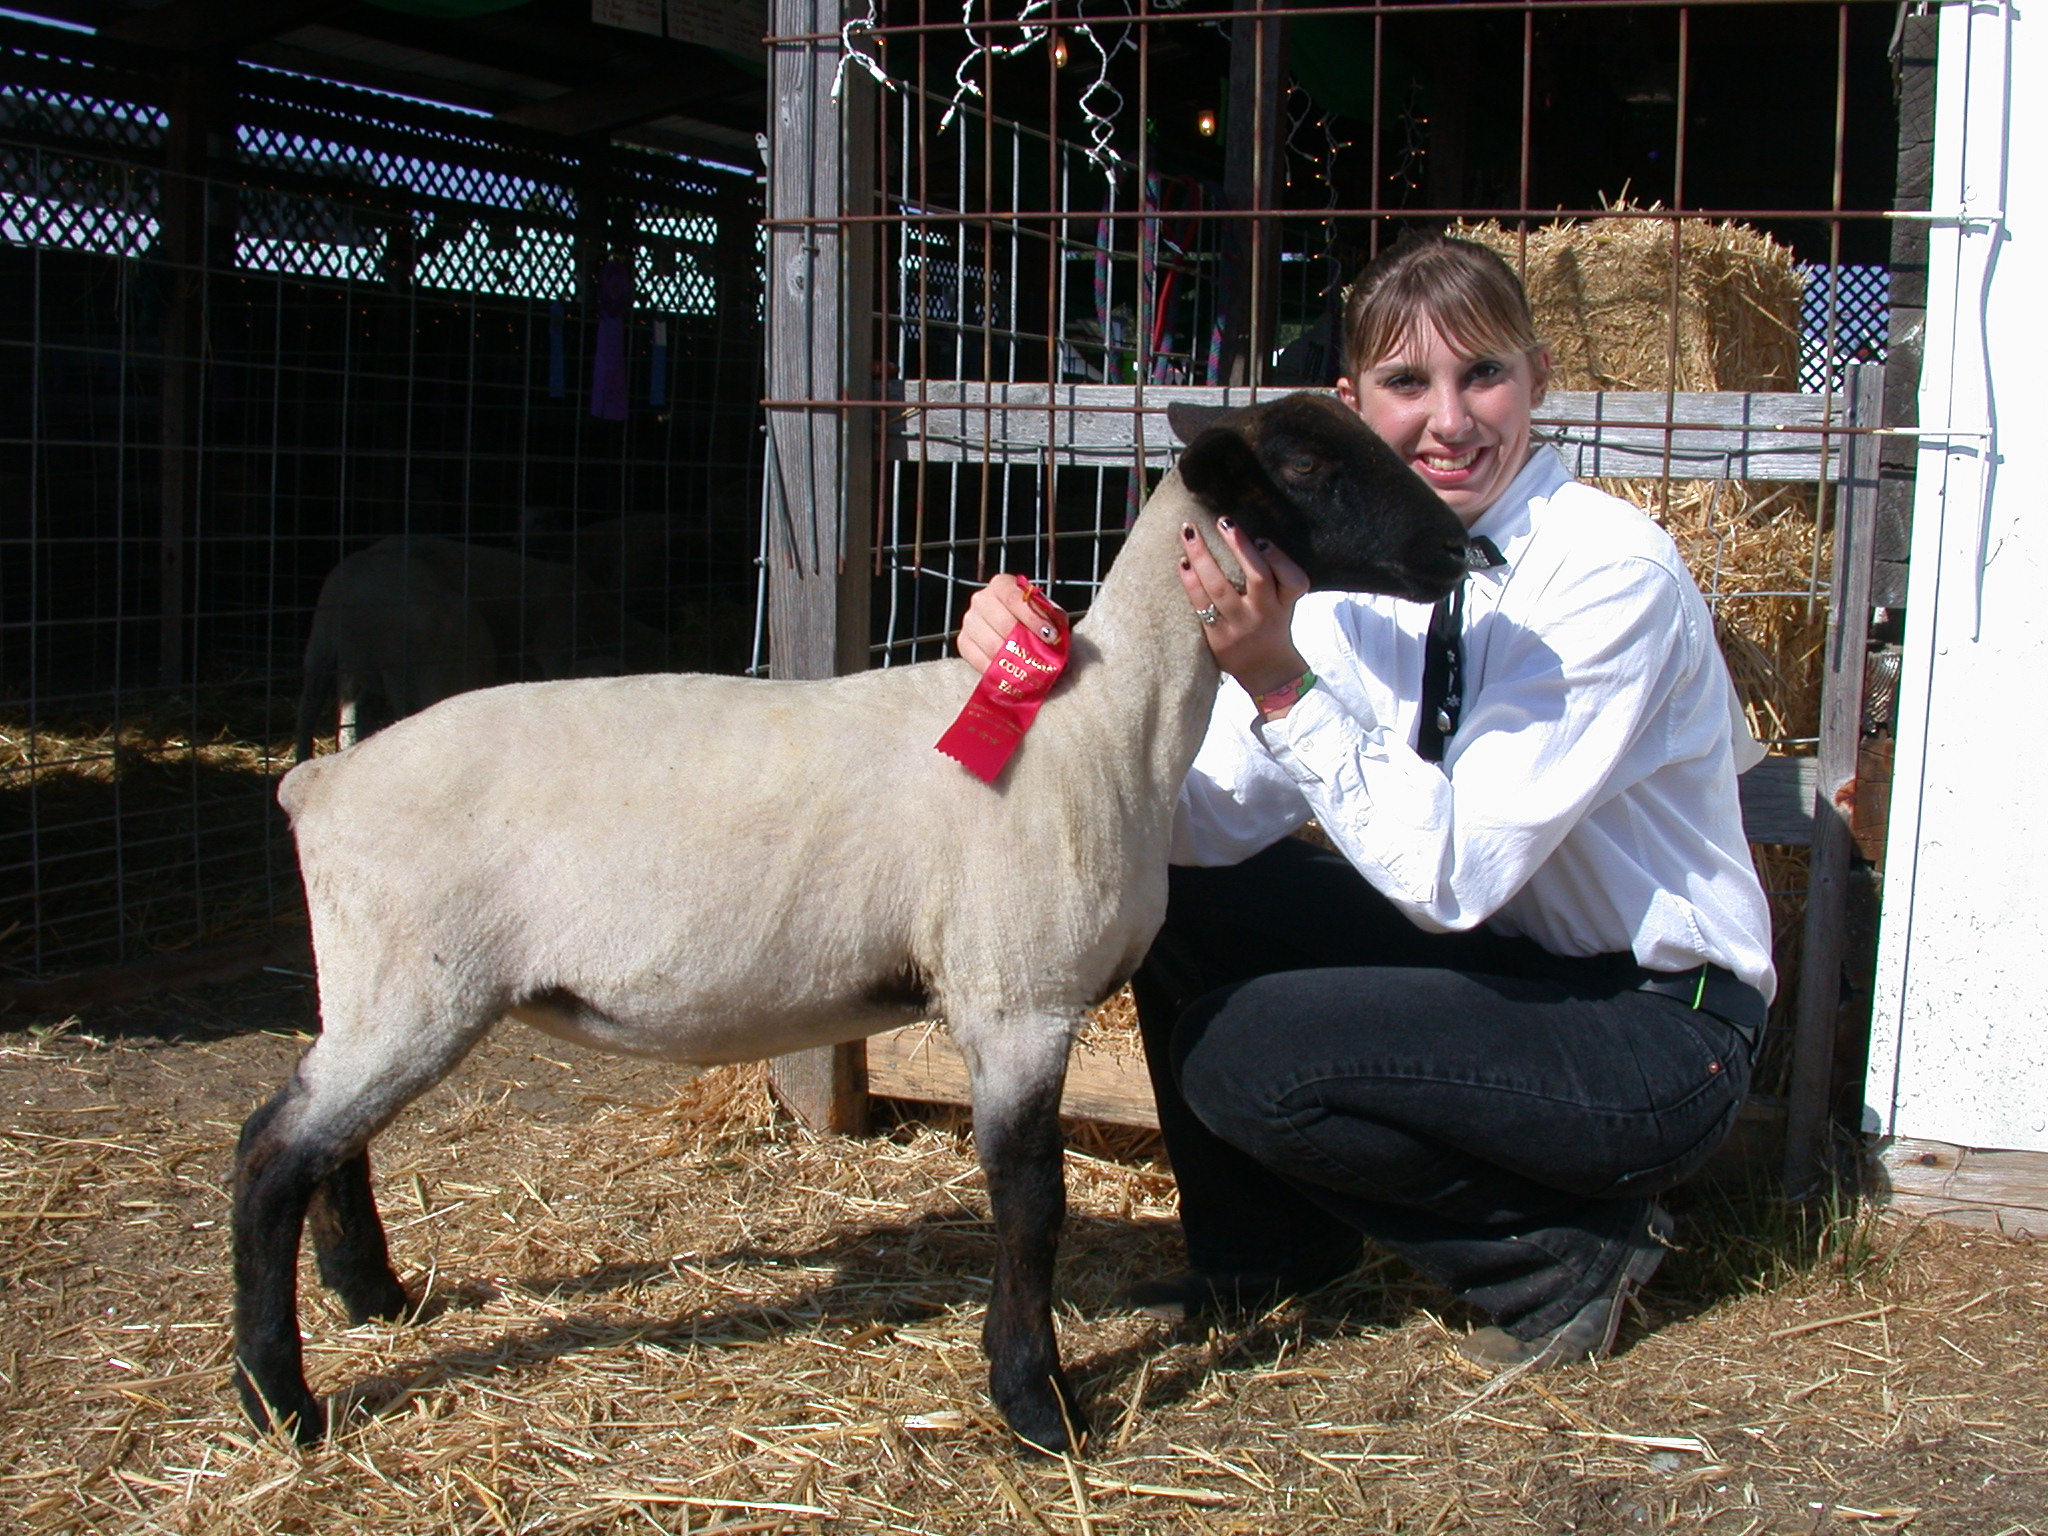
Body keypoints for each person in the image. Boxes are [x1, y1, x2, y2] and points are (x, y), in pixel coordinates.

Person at [957, 234, 1773, 1369]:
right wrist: (1033, 688)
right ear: (1348, 405)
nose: (1449, 418)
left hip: (1654, 1029)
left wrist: (1282, 683)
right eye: (1406, 383)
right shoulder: (1358, 580)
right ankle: (1264, 1255)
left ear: (1536, 378)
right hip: (1507, 970)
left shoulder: (1605, 577)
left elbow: (1454, 876)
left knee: (1239, 1054)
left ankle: (1556, 1257)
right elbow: (1191, 820)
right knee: (1177, 898)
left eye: (1482, 373)